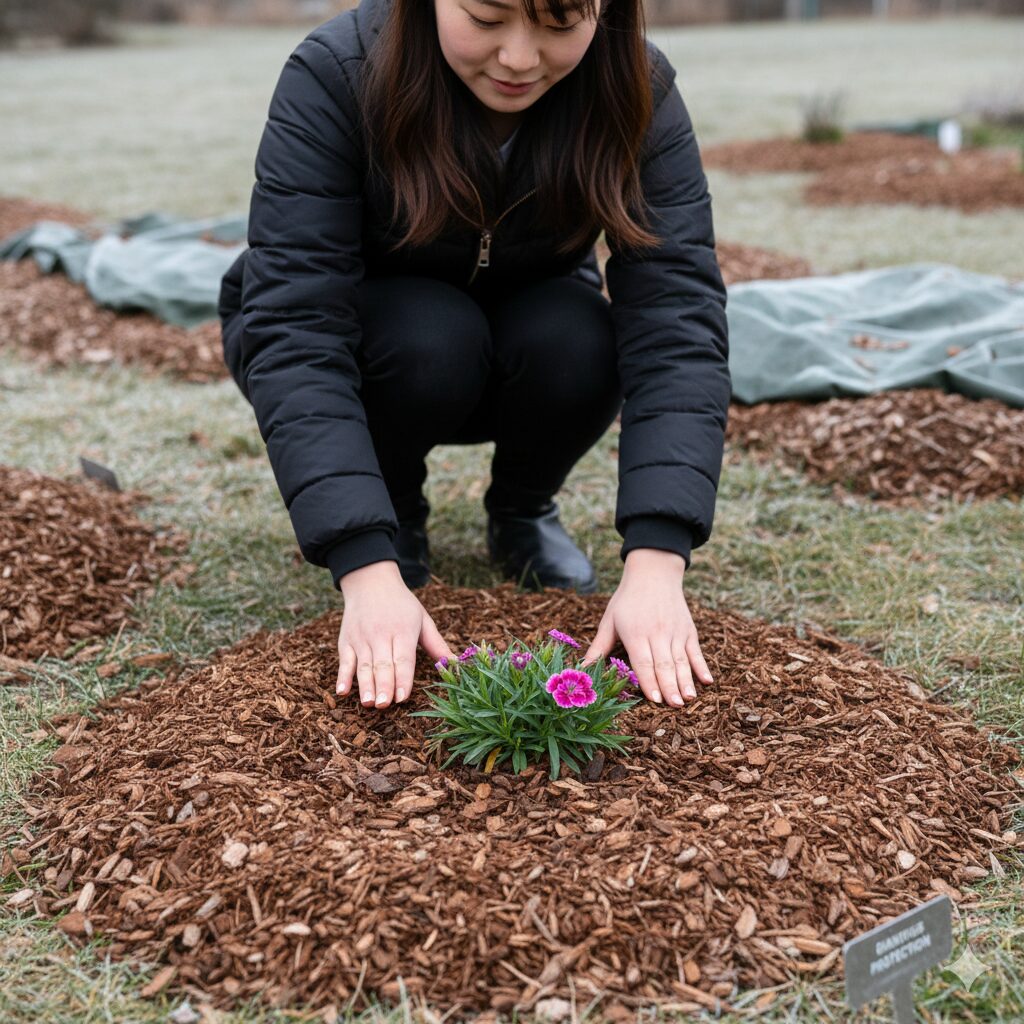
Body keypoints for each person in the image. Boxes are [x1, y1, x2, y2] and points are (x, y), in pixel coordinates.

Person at [218, 0, 730, 716]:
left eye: (560, 25)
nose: (520, 58)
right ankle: (391, 512)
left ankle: (522, 509)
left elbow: (677, 320)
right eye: (486, 19)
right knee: (431, 336)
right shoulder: (337, 74)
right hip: (385, 342)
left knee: (581, 338)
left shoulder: (635, 85)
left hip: (527, 334)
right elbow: (295, 326)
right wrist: (364, 565)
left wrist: (658, 561)